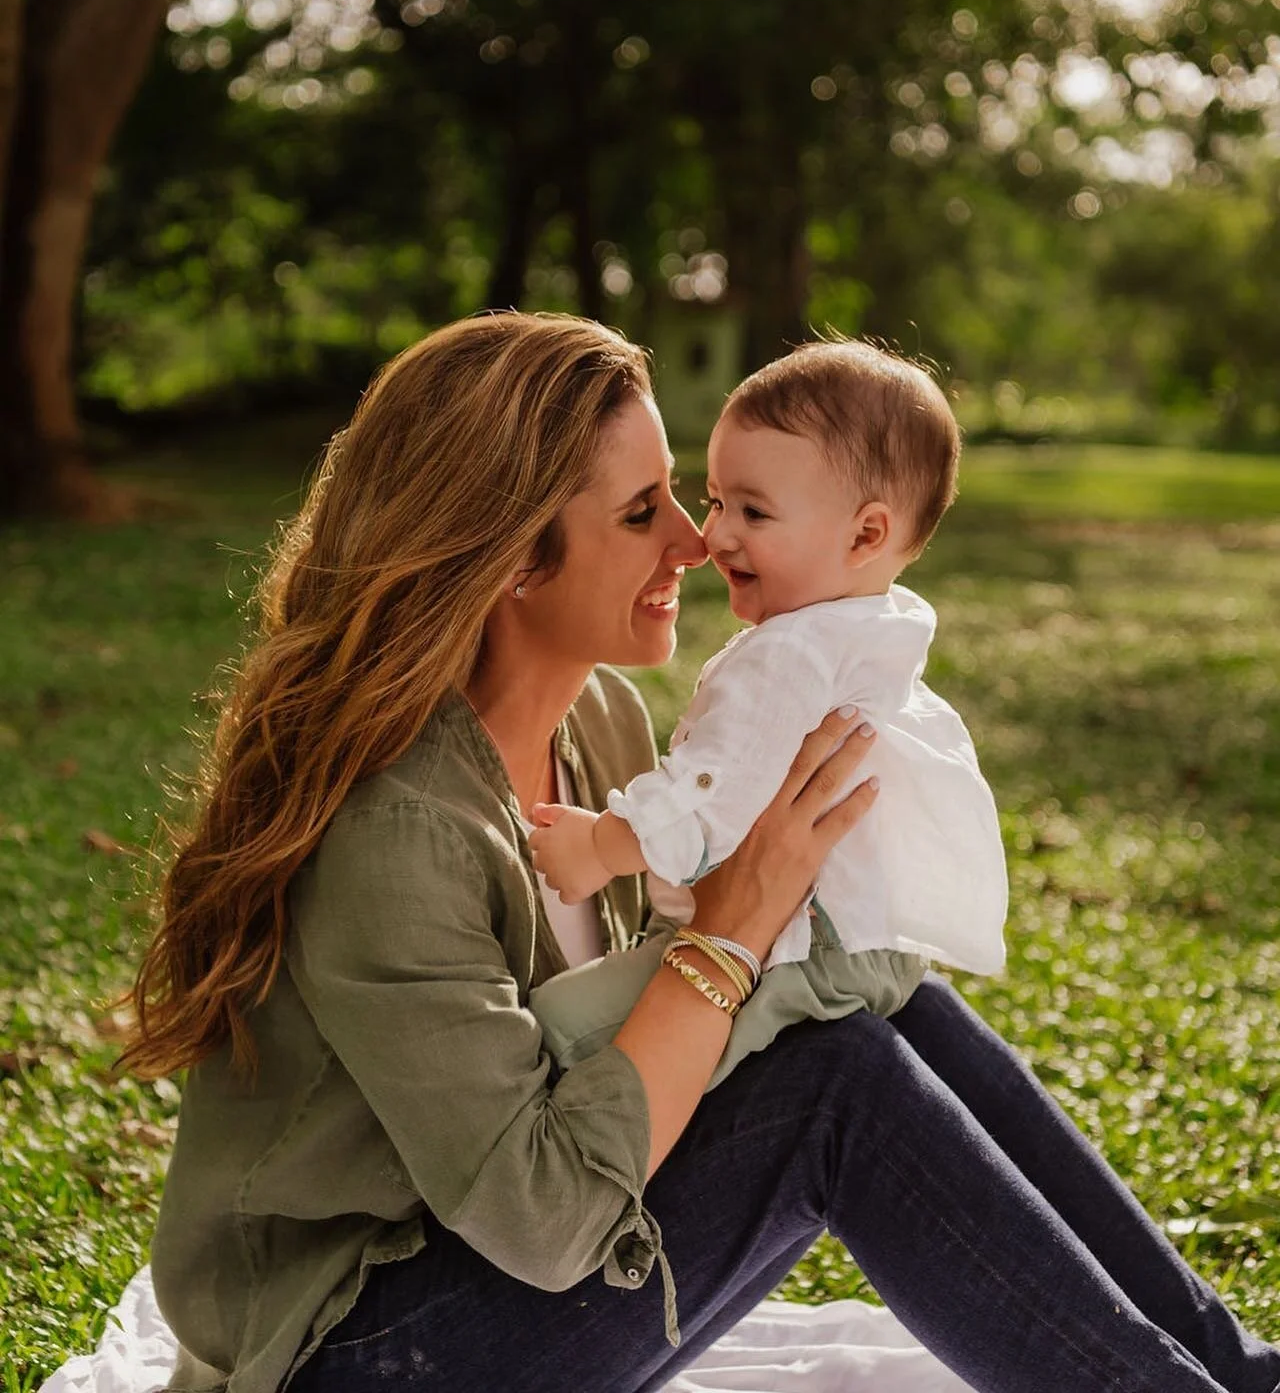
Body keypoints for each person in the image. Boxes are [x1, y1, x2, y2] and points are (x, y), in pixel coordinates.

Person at [121, 313, 1280, 1393]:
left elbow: (629, 1061)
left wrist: (778, 921)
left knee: (883, 996)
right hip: (356, 1348)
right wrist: (732, 925)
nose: (694, 537)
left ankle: (1229, 1366)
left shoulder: (603, 729)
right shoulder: (397, 833)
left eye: (681, 492)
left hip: (506, 1253)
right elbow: (540, 1214)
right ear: (514, 561)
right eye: (642, 513)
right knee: (835, 1080)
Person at [527, 343, 1006, 1088]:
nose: (713, 535)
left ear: (865, 534)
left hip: (801, 941)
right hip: (872, 941)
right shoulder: (878, 627)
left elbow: (714, 792)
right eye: (718, 499)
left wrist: (601, 846)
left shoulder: (789, 656)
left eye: (753, 510)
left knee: (562, 1028)